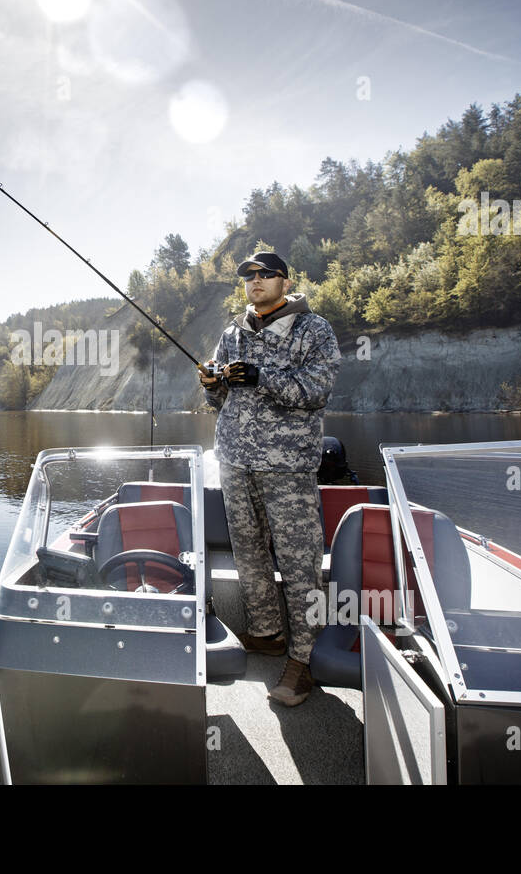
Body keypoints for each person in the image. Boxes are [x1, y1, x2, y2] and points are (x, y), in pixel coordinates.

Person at [199, 252, 341, 706]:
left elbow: (315, 391)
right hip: (235, 461)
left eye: (265, 275)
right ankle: (266, 633)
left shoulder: (313, 330)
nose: (255, 282)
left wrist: (263, 377)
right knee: (248, 552)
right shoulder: (231, 333)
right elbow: (222, 403)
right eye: (248, 276)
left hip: (287, 464)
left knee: (300, 564)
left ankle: (303, 660)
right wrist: (212, 383)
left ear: (285, 281)